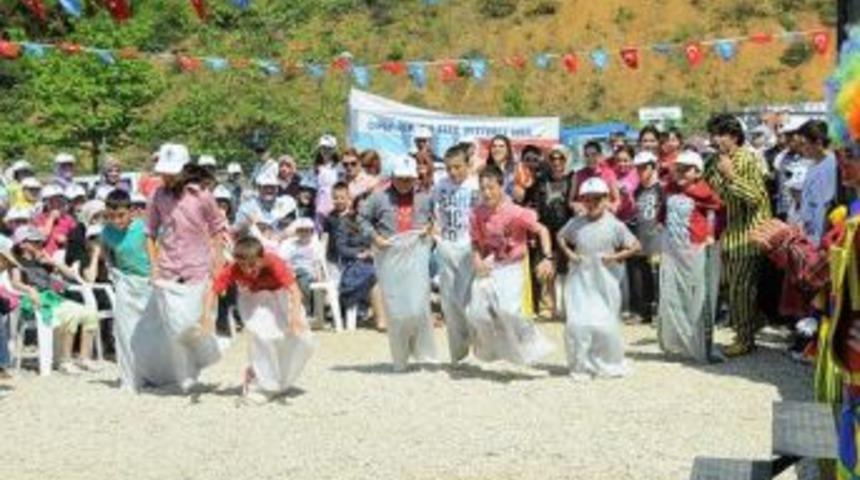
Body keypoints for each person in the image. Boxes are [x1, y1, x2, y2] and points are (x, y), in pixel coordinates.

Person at [144, 143, 226, 392]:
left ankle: (202, 360)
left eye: (171, 172)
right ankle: (184, 374)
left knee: (192, 324)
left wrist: (218, 264)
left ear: (185, 170)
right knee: (173, 327)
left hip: (197, 268)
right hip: (168, 268)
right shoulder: (157, 196)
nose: (166, 176)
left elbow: (218, 228)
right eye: (163, 172)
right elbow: (149, 232)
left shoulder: (202, 195)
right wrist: (154, 266)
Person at [205, 236, 314, 404]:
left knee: (301, 341)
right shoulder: (234, 268)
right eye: (242, 266)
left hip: (280, 297)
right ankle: (261, 381)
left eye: (252, 265)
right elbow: (213, 291)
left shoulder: (274, 263)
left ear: (261, 258)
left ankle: (276, 380)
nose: (247, 270)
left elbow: (294, 290)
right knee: (263, 337)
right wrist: (206, 317)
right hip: (254, 299)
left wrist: (294, 318)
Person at [466, 164, 555, 366]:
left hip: (512, 266)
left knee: (509, 311)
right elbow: (474, 243)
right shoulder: (477, 214)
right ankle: (490, 351)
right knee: (477, 313)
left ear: (501, 186)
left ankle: (532, 342)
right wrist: (477, 260)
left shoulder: (516, 212)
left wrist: (547, 257)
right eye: (483, 189)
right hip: (489, 266)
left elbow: (542, 230)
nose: (487, 193)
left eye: (491, 187)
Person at [557, 177, 640, 380]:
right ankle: (580, 364)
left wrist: (614, 257)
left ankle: (606, 361)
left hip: (606, 282)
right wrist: (570, 254)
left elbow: (635, 245)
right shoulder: (575, 222)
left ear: (606, 200)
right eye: (587, 199)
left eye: (597, 199)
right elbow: (560, 237)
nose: (592, 203)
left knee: (604, 324)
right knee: (578, 323)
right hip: (580, 281)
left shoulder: (615, 225)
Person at [360, 155, 437, 371]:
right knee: (396, 309)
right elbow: (361, 218)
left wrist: (429, 231)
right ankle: (400, 357)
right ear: (392, 177)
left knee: (418, 305)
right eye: (401, 178)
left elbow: (434, 219)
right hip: (389, 255)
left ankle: (423, 352)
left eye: (409, 179)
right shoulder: (378, 197)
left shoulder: (425, 197)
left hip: (417, 254)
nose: (405, 183)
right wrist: (375, 238)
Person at [704, 113, 772, 357]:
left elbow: (755, 196)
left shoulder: (746, 160)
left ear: (733, 136)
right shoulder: (714, 161)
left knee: (740, 290)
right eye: (712, 134)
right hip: (727, 236)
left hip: (748, 236)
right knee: (725, 287)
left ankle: (745, 339)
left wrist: (731, 176)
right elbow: (708, 192)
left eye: (719, 134)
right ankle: (755, 320)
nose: (714, 139)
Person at [657, 151, 724, 363]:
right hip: (672, 251)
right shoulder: (669, 189)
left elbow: (718, 213)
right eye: (679, 168)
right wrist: (660, 222)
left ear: (698, 172)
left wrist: (712, 235)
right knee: (672, 295)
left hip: (695, 250)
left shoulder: (704, 193)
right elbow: (663, 211)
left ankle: (701, 346)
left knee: (698, 297)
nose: (681, 172)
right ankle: (676, 343)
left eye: (687, 168)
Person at [10, 226, 100, 375]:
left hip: (52, 298)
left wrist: (53, 262)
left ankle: (85, 358)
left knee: (90, 313)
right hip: (36, 302)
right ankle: (64, 361)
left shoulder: (42, 260)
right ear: (22, 244)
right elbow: (15, 282)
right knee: (71, 314)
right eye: (35, 242)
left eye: (40, 242)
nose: (40, 245)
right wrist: (29, 289)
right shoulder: (17, 262)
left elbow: (71, 275)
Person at [432, 145, 479, 362]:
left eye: (457, 167)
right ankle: (458, 352)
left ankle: (477, 341)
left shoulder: (475, 186)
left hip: (469, 246)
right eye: (449, 168)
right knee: (449, 301)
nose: (452, 172)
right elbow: (432, 210)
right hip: (446, 245)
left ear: (467, 165)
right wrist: (434, 230)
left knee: (468, 300)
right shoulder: (440, 185)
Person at [322, 182, 385, 331]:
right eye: (335, 198)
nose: (339, 201)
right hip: (340, 260)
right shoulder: (334, 219)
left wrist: (371, 250)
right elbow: (330, 242)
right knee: (370, 276)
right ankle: (341, 309)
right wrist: (322, 260)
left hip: (360, 259)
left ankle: (366, 311)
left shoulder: (364, 221)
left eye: (342, 197)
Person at [531, 145, 573, 320]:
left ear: (566, 160)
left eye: (561, 158)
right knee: (545, 269)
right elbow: (536, 206)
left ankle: (566, 308)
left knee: (566, 270)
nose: (557, 162)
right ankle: (548, 306)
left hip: (568, 229)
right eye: (553, 158)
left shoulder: (573, 179)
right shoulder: (541, 180)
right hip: (546, 229)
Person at [627, 151, 664, 324]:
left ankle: (660, 312)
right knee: (641, 277)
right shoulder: (637, 190)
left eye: (644, 167)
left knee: (657, 277)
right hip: (641, 238)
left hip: (657, 239)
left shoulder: (661, 189)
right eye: (638, 168)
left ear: (653, 166)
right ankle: (644, 312)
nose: (641, 171)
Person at [798, 120, 838, 247]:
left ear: (818, 143)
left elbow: (831, 203)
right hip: (811, 233)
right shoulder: (811, 165)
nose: (801, 148)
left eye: (804, 144)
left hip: (825, 234)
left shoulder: (833, 165)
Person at [278, 217, 324, 316]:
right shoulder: (290, 244)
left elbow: (317, 263)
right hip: (292, 272)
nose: (304, 234)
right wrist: (290, 271)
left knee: (302, 275)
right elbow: (284, 261)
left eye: (307, 231)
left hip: (309, 273)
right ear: (297, 232)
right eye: (301, 231)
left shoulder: (315, 245)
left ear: (312, 232)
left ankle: (305, 307)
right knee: (297, 275)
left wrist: (320, 277)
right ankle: (295, 310)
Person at [570, 141, 621, 215]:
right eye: (587, 155)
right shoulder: (577, 175)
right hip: (584, 217)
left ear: (600, 156)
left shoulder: (609, 174)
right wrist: (576, 205)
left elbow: (617, 200)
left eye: (594, 155)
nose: (590, 158)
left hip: (603, 217)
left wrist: (612, 206)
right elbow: (570, 201)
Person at [32, 184, 77, 258]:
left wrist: (66, 240)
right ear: (46, 202)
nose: (56, 204)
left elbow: (76, 240)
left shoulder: (68, 219)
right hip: (44, 257)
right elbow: (42, 236)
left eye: (59, 200)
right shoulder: (39, 218)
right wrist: (51, 218)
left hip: (63, 257)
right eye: (52, 201)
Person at [314, 134, 341, 221]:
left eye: (329, 148)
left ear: (334, 150)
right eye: (323, 148)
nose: (326, 151)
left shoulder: (339, 167)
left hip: (334, 205)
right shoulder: (316, 167)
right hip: (319, 206)